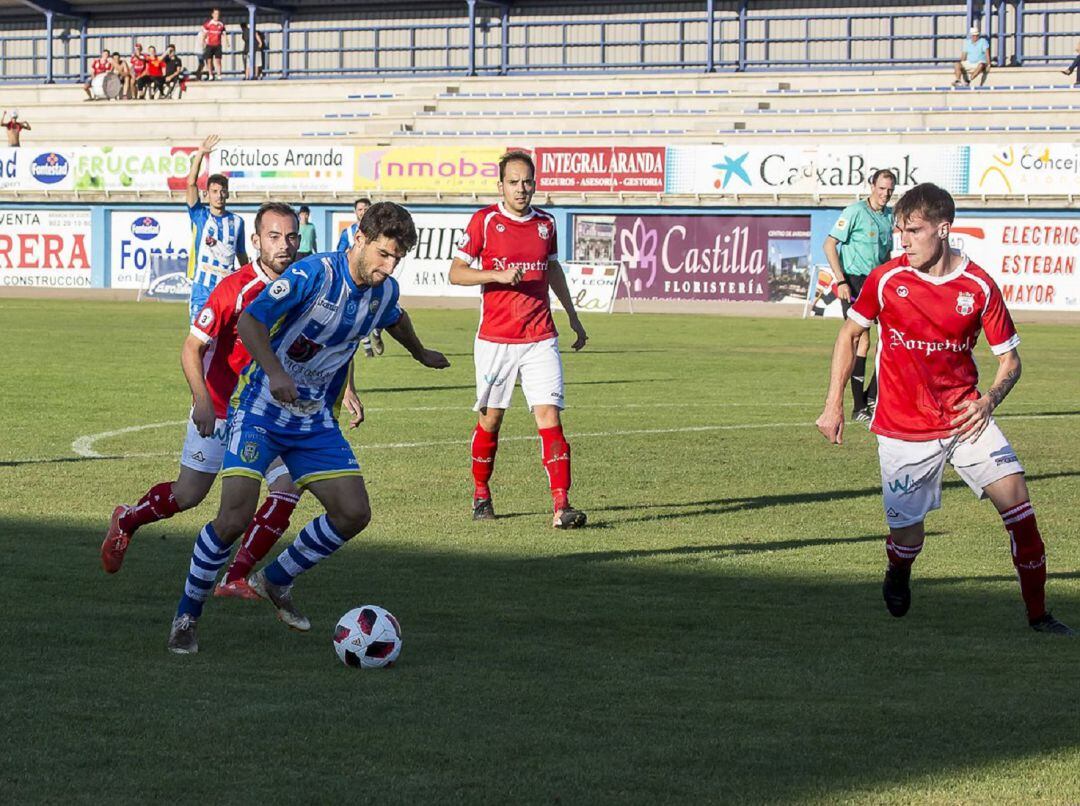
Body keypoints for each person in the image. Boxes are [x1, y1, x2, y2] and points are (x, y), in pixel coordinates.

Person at [166, 202, 450, 654]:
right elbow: (251, 320)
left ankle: (275, 579)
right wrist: (276, 372)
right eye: (382, 253)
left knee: (354, 513)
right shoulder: (313, 274)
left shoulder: (384, 290)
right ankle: (187, 613)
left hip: (313, 417)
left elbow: (395, 316)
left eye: (397, 258)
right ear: (358, 238)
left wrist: (420, 352)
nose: (388, 265)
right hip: (260, 405)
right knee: (235, 516)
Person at [814, 182, 1073, 636]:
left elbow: (1009, 360)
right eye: (900, 231)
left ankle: (1040, 617)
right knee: (908, 538)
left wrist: (989, 400)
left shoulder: (979, 287)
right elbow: (850, 335)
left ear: (943, 229)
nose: (904, 241)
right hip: (902, 428)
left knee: (1022, 514)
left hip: (964, 419)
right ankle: (898, 568)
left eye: (913, 231)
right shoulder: (887, 278)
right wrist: (834, 403)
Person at [101, 203, 337, 600]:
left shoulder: (305, 285)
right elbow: (191, 348)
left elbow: (322, 343)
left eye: (291, 236)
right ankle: (128, 519)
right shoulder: (234, 289)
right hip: (221, 407)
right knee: (189, 495)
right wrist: (202, 401)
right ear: (256, 241)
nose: (285, 245)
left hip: (268, 412)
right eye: (274, 237)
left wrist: (345, 389)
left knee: (290, 484)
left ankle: (238, 575)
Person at [449, 150, 589, 529]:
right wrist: (495, 275)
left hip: (540, 334)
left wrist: (573, 317)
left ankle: (562, 506)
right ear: (501, 186)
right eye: (514, 182)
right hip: (496, 338)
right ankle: (481, 494)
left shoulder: (546, 224)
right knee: (492, 419)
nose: (521, 188)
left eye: (527, 181)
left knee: (549, 415)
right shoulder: (485, 221)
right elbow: (456, 273)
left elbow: (553, 269)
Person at [822, 169, 896, 422]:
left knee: (890, 338)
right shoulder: (854, 212)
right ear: (872, 186)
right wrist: (840, 280)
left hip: (878, 283)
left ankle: (871, 396)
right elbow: (829, 244)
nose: (885, 194)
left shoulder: (889, 216)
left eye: (890, 190)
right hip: (853, 281)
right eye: (882, 188)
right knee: (861, 340)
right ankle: (859, 405)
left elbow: (886, 255)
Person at [186, 134, 249, 323]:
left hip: (226, 289)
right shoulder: (200, 216)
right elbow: (190, 184)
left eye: (222, 191)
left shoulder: (237, 222)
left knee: (222, 341)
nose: (219, 195)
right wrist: (200, 155)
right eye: (214, 192)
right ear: (207, 194)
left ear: (227, 193)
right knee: (197, 340)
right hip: (202, 289)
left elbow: (241, 254)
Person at [336, 198, 384, 357]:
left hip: (376, 277)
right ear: (355, 212)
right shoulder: (348, 233)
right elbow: (340, 254)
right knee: (356, 313)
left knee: (382, 308)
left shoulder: (380, 231)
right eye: (360, 209)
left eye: (366, 208)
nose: (363, 212)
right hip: (356, 281)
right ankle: (367, 345)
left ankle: (377, 333)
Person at [199, 7, 226, 81]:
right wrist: (203, 42)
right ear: (212, 15)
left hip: (218, 45)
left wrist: (226, 42)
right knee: (209, 60)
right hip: (210, 44)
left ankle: (219, 75)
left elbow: (224, 34)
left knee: (218, 60)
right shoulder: (208, 24)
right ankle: (210, 74)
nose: (217, 15)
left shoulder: (221, 24)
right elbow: (204, 34)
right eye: (215, 14)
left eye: (218, 14)